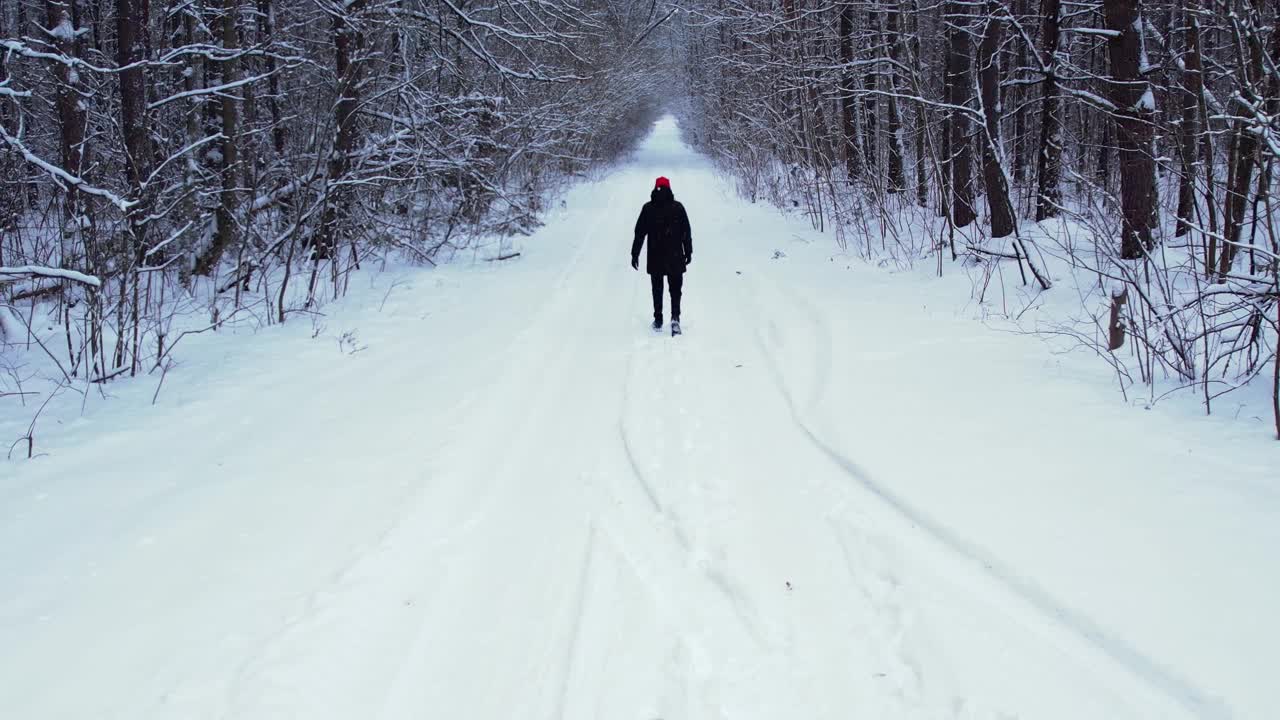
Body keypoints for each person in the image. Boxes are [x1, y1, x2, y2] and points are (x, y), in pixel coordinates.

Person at [631, 176, 692, 335]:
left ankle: (658, 319)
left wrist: (635, 253)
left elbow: (639, 233)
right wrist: (688, 251)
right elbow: (686, 232)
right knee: (675, 289)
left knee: (657, 288)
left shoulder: (648, 208)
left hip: (656, 255)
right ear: (670, 189)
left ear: (655, 188)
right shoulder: (678, 208)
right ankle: (675, 318)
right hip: (675, 255)